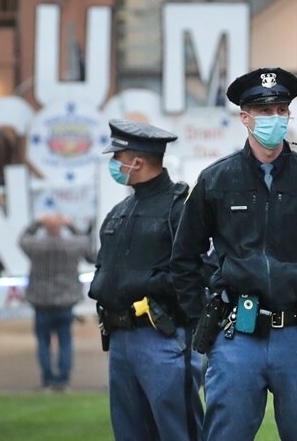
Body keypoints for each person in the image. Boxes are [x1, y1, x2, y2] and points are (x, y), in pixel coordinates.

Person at [170, 67, 297, 440]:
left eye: (280, 110)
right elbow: (184, 257)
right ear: (244, 117)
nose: (274, 119)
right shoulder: (216, 180)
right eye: (264, 112)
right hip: (237, 339)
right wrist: (200, 319)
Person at [89, 119, 206, 441]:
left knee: (178, 430)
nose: (115, 164)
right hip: (121, 338)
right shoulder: (120, 210)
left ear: (136, 162)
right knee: (129, 432)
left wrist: (155, 289)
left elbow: (201, 270)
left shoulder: (181, 207)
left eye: (118, 157)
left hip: (164, 335)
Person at [19, 213, 93, 392]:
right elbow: (85, 242)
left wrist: (37, 222)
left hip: (41, 301)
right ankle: (63, 380)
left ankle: (47, 379)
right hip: (65, 302)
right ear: (61, 228)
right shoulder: (72, 244)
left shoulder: (36, 245)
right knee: (65, 342)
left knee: (43, 342)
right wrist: (71, 225)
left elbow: (22, 239)